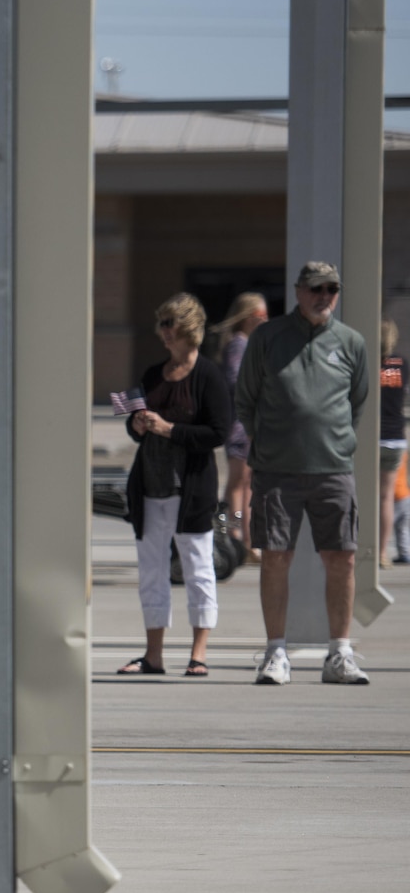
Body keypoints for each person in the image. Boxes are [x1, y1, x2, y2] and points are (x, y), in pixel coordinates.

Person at [237, 261, 370, 686]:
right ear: (298, 291)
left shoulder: (352, 342)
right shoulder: (268, 337)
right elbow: (246, 399)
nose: (324, 296)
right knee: (276, 558)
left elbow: (358, 402)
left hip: (333, 467)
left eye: (331, 289)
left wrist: (333, 439)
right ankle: (276, 653)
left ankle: (340, 655)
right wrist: (271, 442)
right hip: (277, 470)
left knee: (342, 558)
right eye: (316, 288)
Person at [118, 294, 231, 678]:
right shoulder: (153, 374)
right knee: (152, 570)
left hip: (191, 489)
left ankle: (198, 653)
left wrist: (170, 429)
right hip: (149, 485)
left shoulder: (209, 376)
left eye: (171, 325)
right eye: (162, 324)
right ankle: (153, 655)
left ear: (188, 329)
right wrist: (135, 426)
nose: (164, 332)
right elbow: (133, 425)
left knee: (198, 567)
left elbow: (219, 432)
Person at [216, 292, 270, 555]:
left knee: (246, 484)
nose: (265, 320)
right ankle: (230, 534)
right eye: (261, 316)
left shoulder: (250, 343)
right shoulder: (239, 344)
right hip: (239, 425)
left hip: (251, 424)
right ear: (248, 318)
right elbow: (236, 381)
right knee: (237, 483)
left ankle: (246, 539)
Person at [378, 320, 404, 572]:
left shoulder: (365, 362)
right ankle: (382, 552)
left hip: (369, 437)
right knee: (386, 498)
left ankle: (363, 546)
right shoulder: (401, 364)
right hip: (395, 437)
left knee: (361, 495)